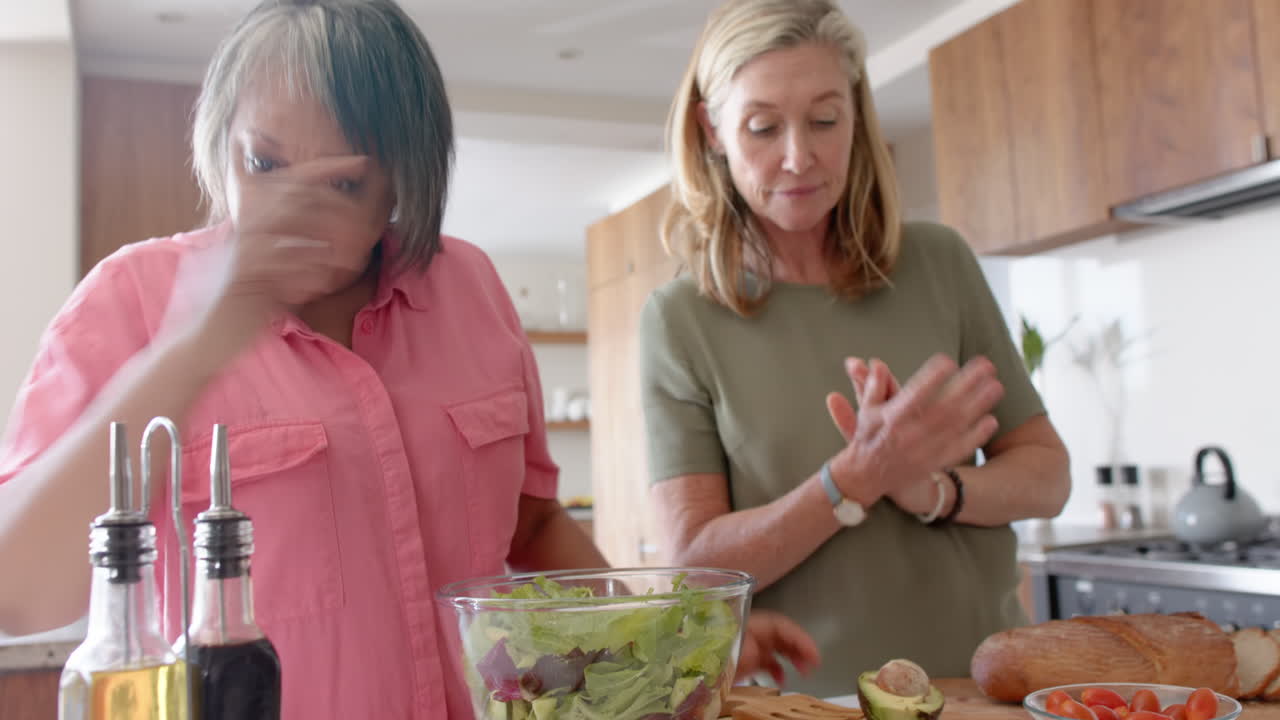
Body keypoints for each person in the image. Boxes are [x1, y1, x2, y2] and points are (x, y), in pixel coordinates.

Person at [0, 0, 816, 717]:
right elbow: (19, 591)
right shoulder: (131, 302)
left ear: (402, 185)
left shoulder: (469, 289)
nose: (295, 210)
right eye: (265, 164)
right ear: (222, 147)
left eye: (344, 185)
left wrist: (665, 647)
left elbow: (530, 526)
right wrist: (205, 333)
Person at [641, 0, 1072, 697]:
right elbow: (695, 565)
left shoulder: (940, 263)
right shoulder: (680, 317)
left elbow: (1048, 476)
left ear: (857, 115)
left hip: (980, 689)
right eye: (761, 126)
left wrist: (932, 490)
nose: (798, 155)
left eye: (824, 118)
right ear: (711, 130)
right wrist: (853, 481)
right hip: (811, 705)